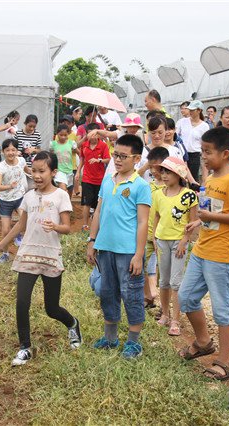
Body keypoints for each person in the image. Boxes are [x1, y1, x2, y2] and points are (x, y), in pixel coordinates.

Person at [0, 151, 81, 366]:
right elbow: (21, 225)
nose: (37, 175)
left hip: (49, 255)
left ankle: (73, 324)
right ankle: (25, 347)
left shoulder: (61, 195)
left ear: (54, 172)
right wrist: (2, 244)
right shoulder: (29, 196)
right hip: (28, 253)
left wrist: (55, 226)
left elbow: (67, 227)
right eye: (34, 171)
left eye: (42, 171)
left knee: (51, 308)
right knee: (22, 302)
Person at [178, 127, 229, 381]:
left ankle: (224, 361)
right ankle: (203, 342)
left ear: (225, 153)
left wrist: (211, 217)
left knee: (223, 311)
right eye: (202, 151)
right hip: (202, 249)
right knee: (186, 297)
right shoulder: (210, 179)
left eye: (208, 152)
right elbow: (211, 212)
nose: (204, 156)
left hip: (222, 254)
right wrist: (200, 222)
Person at [87, 134, 152, 359]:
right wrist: (92, 241)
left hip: (128, 251)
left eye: (123, 156)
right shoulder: (108, 180)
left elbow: (143, 221)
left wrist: (139, 254)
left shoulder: (141, 186)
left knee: (132, 293)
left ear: (136, 159)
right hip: (105, 248)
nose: (117, 159)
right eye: (115, 155)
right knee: (108, 291)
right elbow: (99, 211)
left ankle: (133, 342)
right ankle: (111, 338)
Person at [152, 157, 198, 337]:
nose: (164, 175)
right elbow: (156, 216)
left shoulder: (189, 195)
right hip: (162, 240)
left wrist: (184, 240)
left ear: (179, 175)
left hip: (178, 242)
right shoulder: (157, 194)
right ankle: (165, 313)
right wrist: (155, 237)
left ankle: (176, 319)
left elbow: (193, 221)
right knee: (163, 281)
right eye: (162, 171)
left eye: (168, 172)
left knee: (176, 282)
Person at [142, 146, 170, 312]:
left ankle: (163, 304)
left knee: (164, 271)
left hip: (164, 235)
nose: (153, 170)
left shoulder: (171, 188)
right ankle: (148, 296)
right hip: (148, 232)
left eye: (156, 167)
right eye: (151, 167)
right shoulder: (149, 185)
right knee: (142, 265)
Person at [0, 138, 30, 264]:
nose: (10, 152)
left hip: (20, 197)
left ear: (17, 151)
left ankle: (24, 252)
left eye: (13, 150)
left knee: (25, 223)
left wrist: (39, 173)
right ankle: (5, 254)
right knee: (5, 230)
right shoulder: (1, 167)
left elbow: (28, 171)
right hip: (5, 201)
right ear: (3, 152)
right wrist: (9, 186)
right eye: (8, 150)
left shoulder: (21, 161)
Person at [74, 122, 110, 231]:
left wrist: (99, 160)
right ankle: (85, 225)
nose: (92, 137)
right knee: (86, 202)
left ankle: (95, 225)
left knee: (97, 203)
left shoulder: (103, 146)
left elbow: (108, 159)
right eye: (89, 134)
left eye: (94, 134)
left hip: (100, 180)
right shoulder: (85, 145)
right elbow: (82, 159)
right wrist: (78, 172)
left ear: (98, 134)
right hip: (87, 178)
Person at [182, 100, 209, 183]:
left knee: (193, 179)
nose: (190, 112)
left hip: (195, 156)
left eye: (192, 110)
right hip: (182, 155)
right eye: (189, 110)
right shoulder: (183, 122)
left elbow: (206, 143)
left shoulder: (204, 126)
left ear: (199, 110)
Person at [50, 124, 78, 194]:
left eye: (65, 135)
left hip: (69, 170)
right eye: (61, 135)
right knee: (63, 190)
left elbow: (80, 153)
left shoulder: (71, 143)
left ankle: (66, 204)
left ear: (68, 134)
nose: (63, 137)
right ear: (57, 134)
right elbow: (50, 156)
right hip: (59, 171)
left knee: (68, 193)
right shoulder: (53, 144)